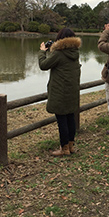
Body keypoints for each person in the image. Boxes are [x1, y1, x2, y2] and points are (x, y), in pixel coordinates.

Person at [38, 28, 81, 156]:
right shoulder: (75, 52)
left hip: (60, 92)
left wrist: (42, 52)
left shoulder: (59, 54)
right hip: (72, 91)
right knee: (70, 118)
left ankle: (64, 149)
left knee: (61, 120)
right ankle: (71, 146)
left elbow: (44, 65)